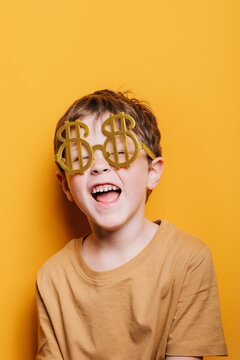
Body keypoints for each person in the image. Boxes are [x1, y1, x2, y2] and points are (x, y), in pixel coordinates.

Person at [36, 90, 228, 360]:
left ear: (152, 171)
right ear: (65, 185)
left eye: (118, 152)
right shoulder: (52, 278)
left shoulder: (188, 259)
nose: (99, 167)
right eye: (80, 159)